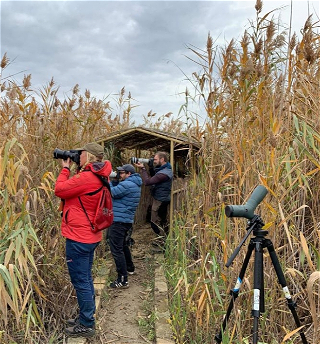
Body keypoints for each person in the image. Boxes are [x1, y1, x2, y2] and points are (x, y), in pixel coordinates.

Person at [54, 142, 112, 338]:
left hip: (79, 237)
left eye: (82, 153)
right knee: (85, 278)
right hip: (89, 235)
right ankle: (85, 317)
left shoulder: (87, 177)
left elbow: (60, 190)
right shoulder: (98, 175)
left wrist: (65, 169)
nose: (78, 156)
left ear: (91, 156)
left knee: (81, 281)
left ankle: (87, 324)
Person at [107, 164, 142, 288]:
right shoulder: (134, 183)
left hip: (118, 221)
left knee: (116, 249)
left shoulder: (128, 185)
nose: (119, 175)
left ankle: (122, 280)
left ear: (129, 174)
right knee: (123, 245)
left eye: (122, 173)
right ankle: (130, 267)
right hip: (125, 220)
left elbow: (111, 192)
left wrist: (109, 180)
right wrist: (116, 180)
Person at [135, 151, 173, 240]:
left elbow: (148, 182)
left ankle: (162, 241)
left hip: (160, 200)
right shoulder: (165, 169)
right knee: (162, 220)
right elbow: (155, 176)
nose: (153, 161)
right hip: (162, 198)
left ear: (162, 159)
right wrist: (151, 166)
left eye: (155, 159)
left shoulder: (164, 173)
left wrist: (143, 169)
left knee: (155, 222)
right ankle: (164, 240)